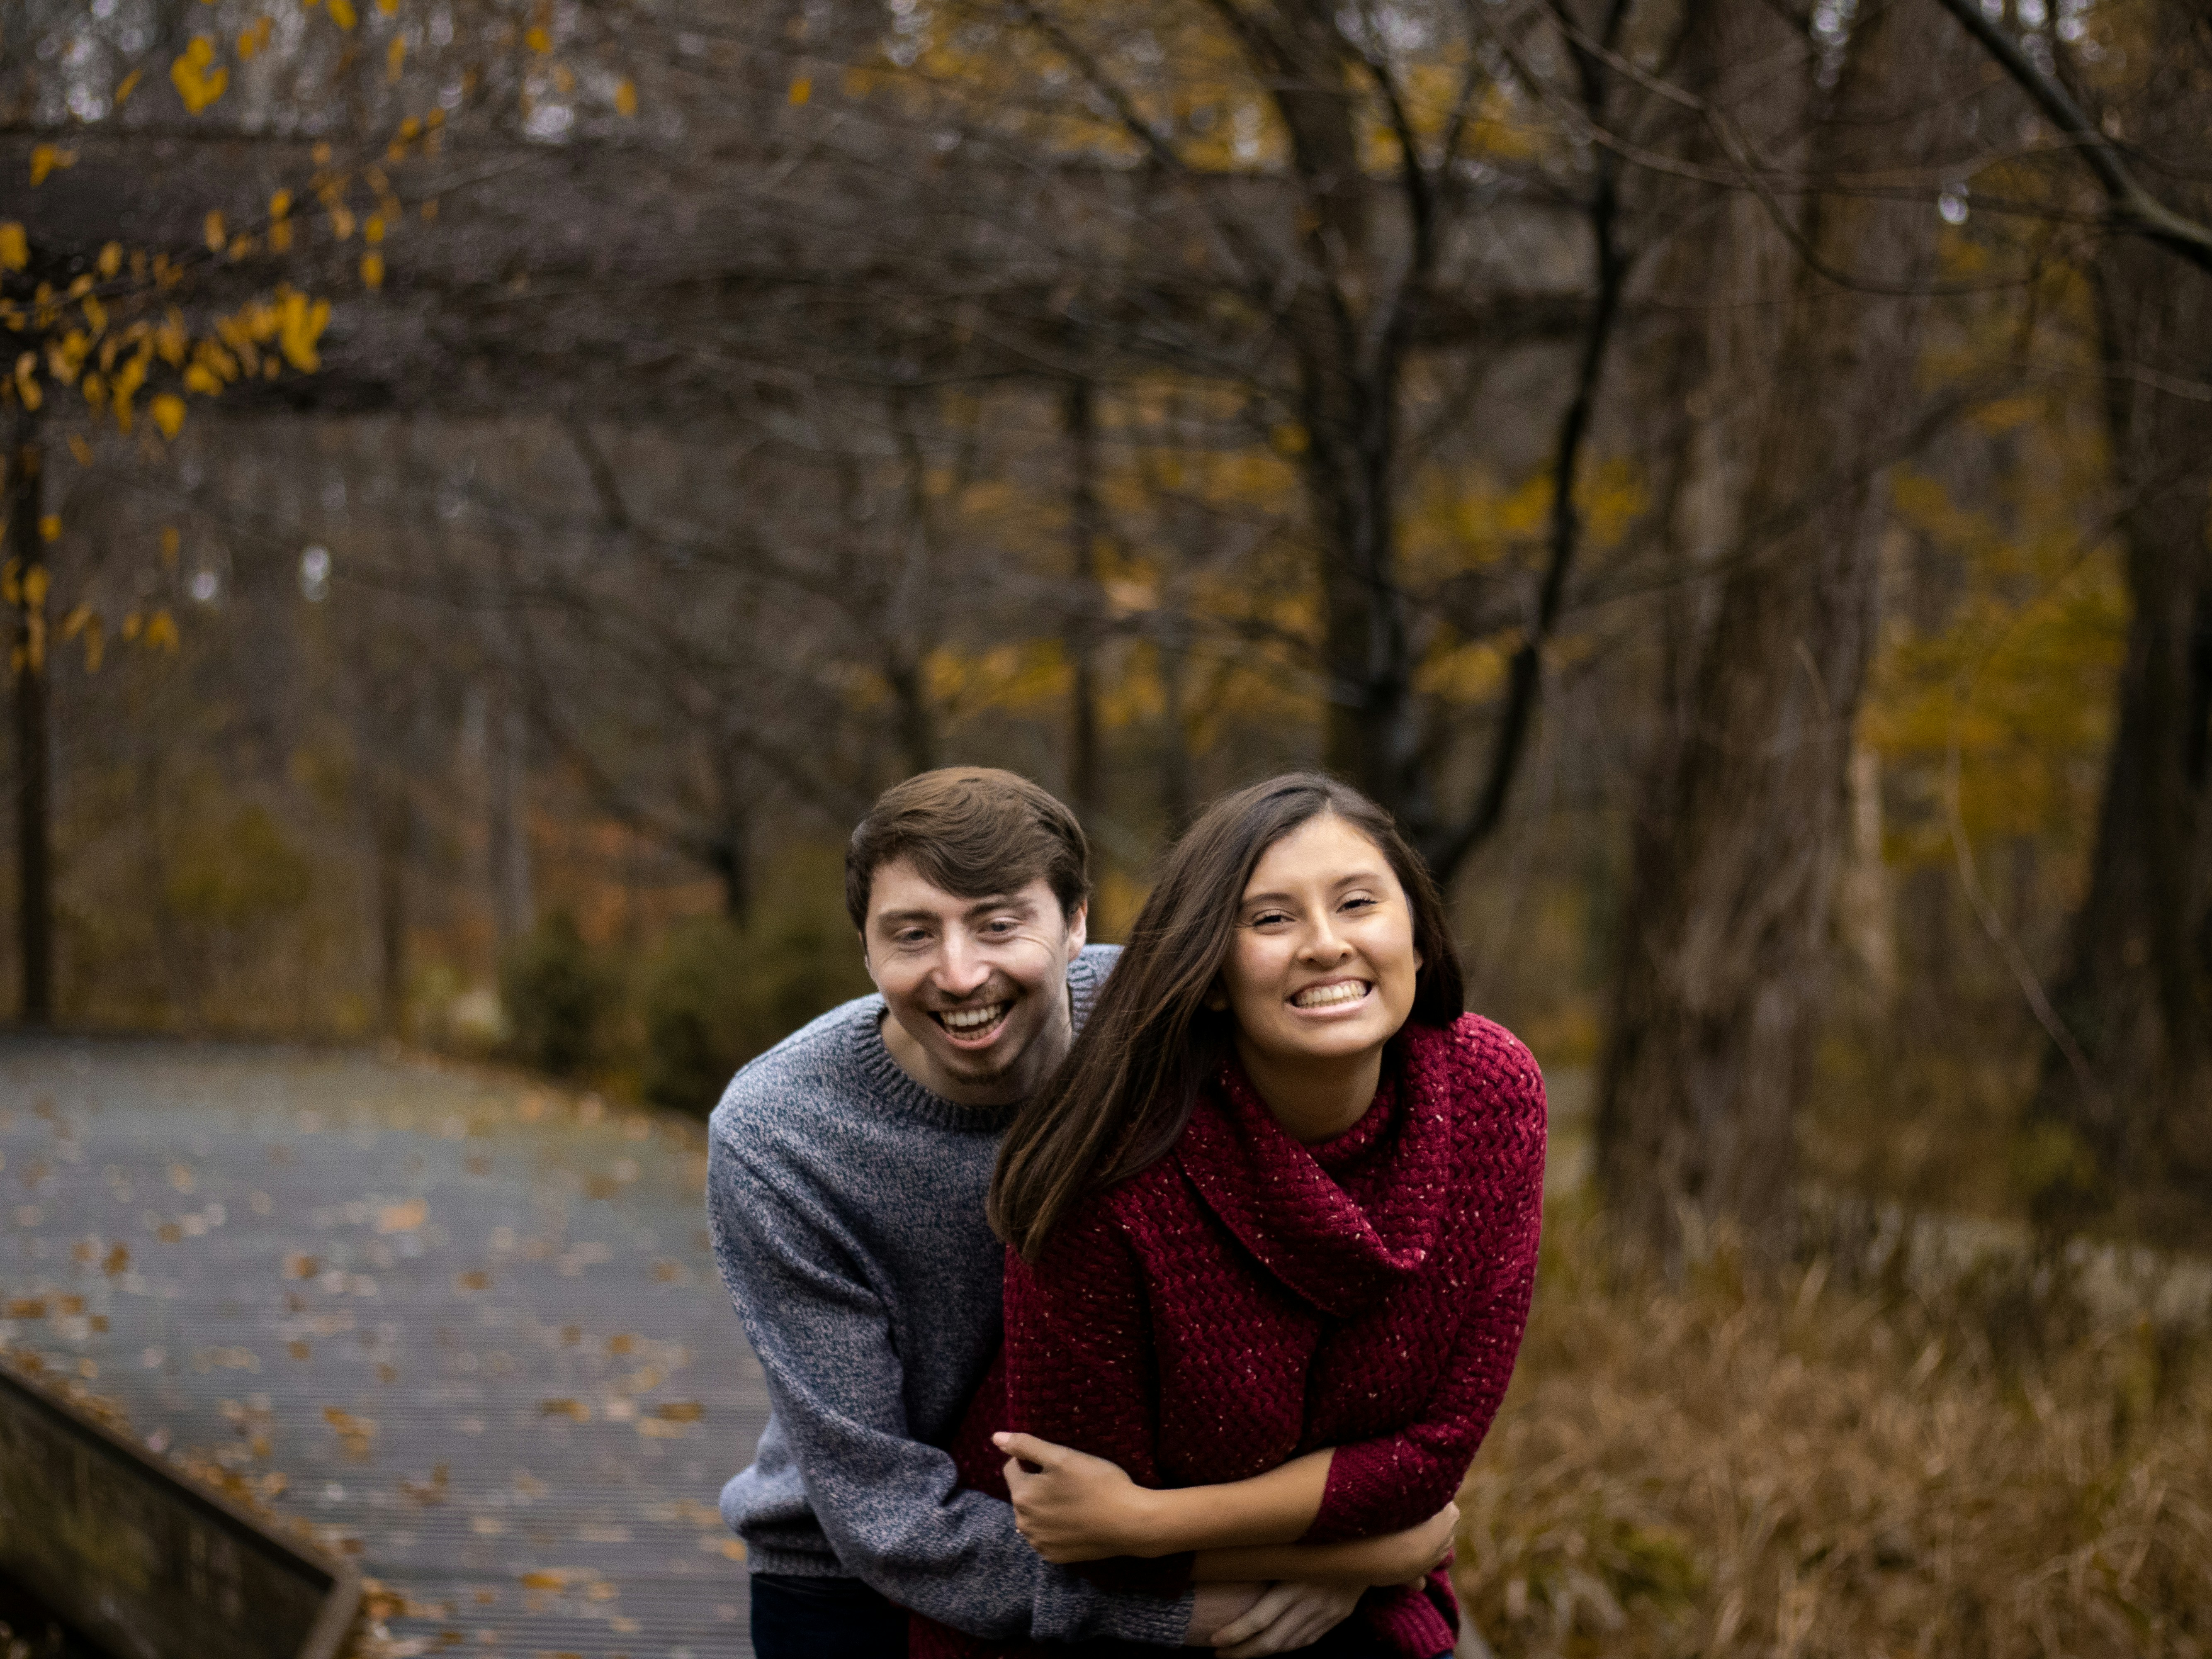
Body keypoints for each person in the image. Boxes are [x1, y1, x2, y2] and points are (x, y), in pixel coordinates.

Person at [708, 769, 1454, 1659]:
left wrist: (1346, 1547)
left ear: (1077, 923)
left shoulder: (1165, 1026)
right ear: (867, 952)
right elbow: (880, 1509)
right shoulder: (780, 1133)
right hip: (858, 1572)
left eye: (998, 923)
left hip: (1160, 1533)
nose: (959, 972)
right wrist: (1179, 1608)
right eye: (913, 934)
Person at [916, 774, 1547, 1659]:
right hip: (1091, 1627)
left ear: (1414, 929)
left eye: (1359, 902)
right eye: (1272, 918)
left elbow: (1433, 1458)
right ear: (1210, 975)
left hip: (1341, 1603)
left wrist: (1149, 1519)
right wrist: (1380, 1551)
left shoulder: (1492, 1092)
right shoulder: (1107, 1171)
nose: (1326, 945)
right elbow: (1075, 1532)